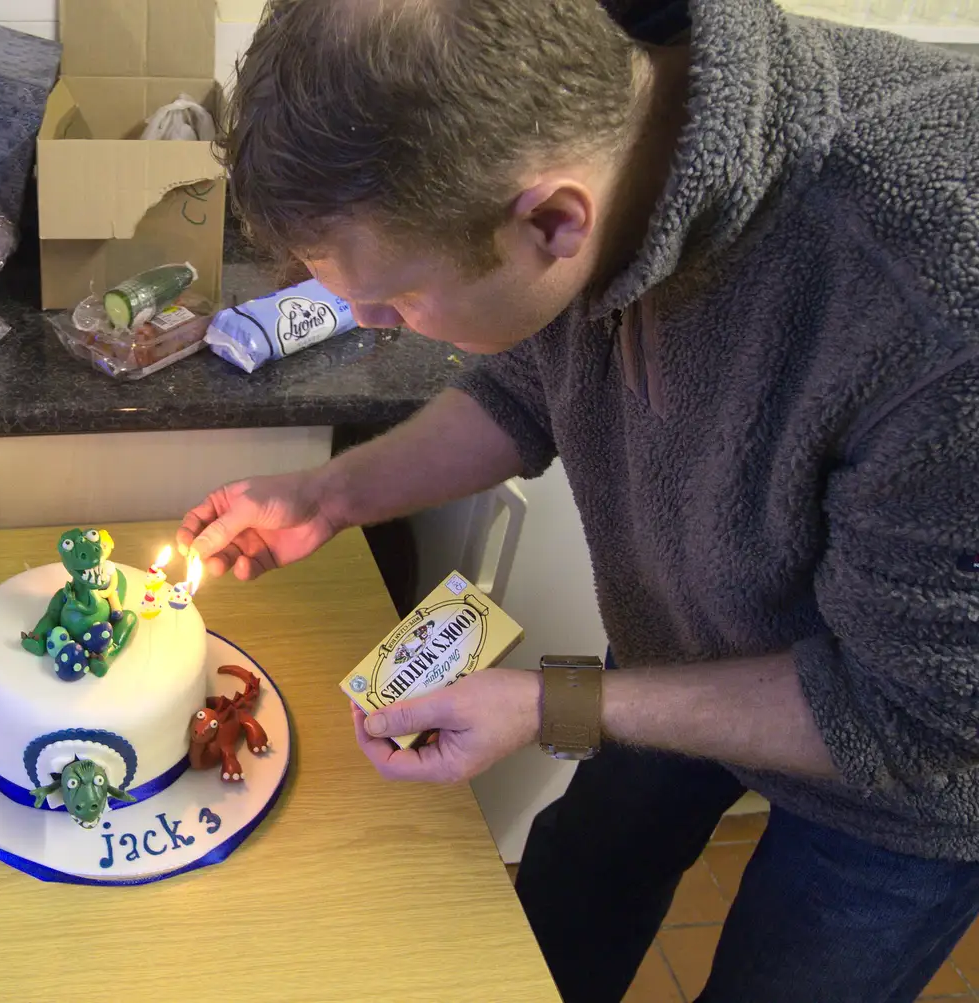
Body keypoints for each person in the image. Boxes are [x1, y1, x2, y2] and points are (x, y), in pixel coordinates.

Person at [177, 1, 979, 1001]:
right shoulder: (594, 118)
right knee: (566, 894)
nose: (372, 327)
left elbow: (915, 713)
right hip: (680, 640)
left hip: (907, 759)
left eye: (395, 301)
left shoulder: (934, 294)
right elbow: (527, 384)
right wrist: (331, 493)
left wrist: (551, 702)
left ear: (555, 220)